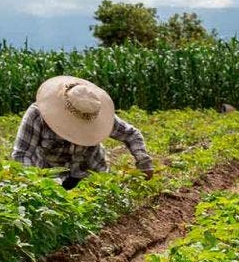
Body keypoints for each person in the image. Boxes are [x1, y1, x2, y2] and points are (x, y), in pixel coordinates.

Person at [12, 76, 153, 190]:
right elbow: (22, 154)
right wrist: (35, 184)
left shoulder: (93, 112)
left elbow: (131, 135)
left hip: (90, 175)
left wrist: (144, 162)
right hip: (49, 179)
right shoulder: (38, 114)